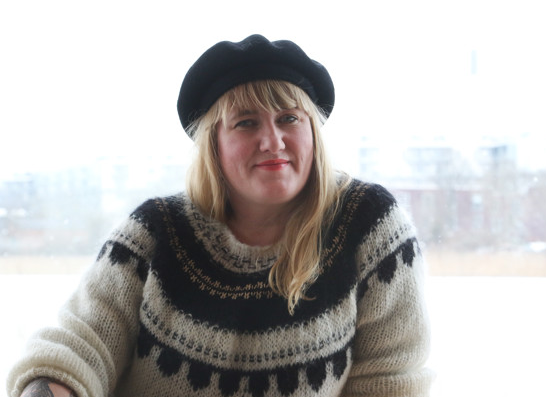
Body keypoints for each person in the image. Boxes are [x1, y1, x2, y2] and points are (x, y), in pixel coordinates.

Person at [7, 34, 433, 397]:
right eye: (246, 123)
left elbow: (390, 382)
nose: (272, 141)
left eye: (289, 118)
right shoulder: (154, 232)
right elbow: (82, 345)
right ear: (213, 145)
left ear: (312, 133)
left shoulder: (371, 229)